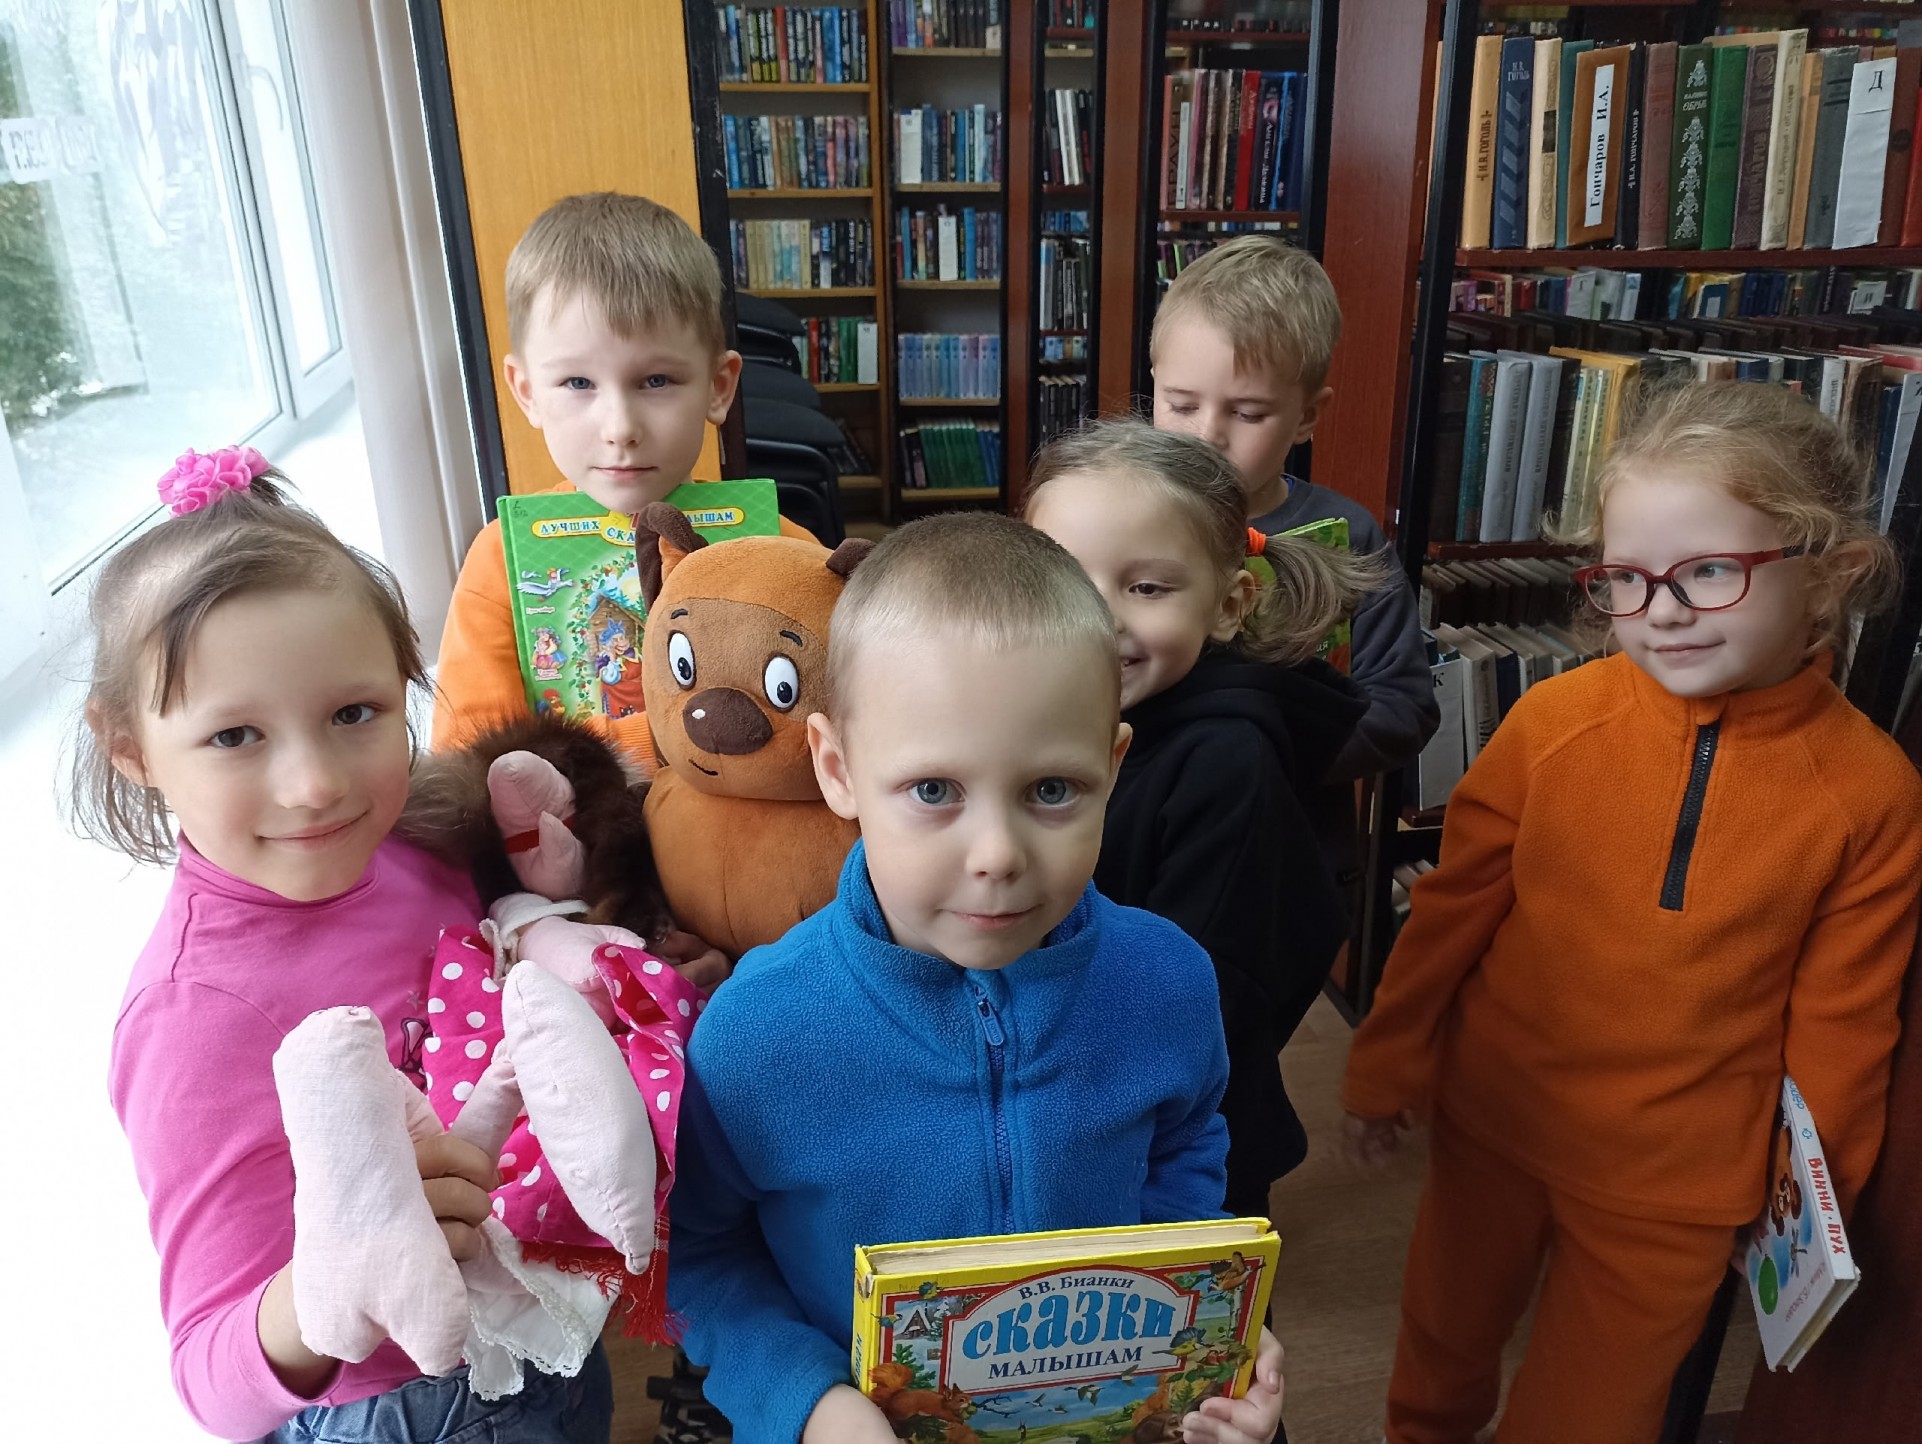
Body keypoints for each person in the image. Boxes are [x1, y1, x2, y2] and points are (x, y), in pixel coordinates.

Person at [1342, 382, 1922, 1444]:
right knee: (1442, 1344)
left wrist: (1802, 1205)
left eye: (1708, 571)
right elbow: (1451, 913)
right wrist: (1386, 1065)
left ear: (1830, 570)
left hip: (1679, 1185)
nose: (1661, 610)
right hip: (1499, 1121)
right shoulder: (1553, 720)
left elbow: (1844, 1027)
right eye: (1626, 577)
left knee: (1594, 1412)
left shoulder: (1871, 792)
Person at [667, 513, 1286, 1444]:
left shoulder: (1169, 984)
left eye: (1051, 790)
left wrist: (1203, 1331)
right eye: (934, 791)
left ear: (1112, 766)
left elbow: (1183, 1156)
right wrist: (806, 1401)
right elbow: (701, 1255)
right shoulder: (755, 1033)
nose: (997, 854)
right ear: (837, 769)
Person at [83, 448, 612, 1442]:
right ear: (129, 747)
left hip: (545, 1327)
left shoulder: (416, 840)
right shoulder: (193, 1016)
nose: (316, 784)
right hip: (403, 1405)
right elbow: (211, 1382)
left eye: (354, 713)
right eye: (235, 735)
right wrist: (319, 1289)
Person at [1025, 419, 1378, 1211]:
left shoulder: (1227, 764)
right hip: (1072, 1110)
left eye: (1147, 588)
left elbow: (1195, 1000)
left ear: (1229, 604)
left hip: (1177, 1146)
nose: (1099, 616)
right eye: (1064, 578)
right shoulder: (1053, 713)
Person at [431, 191, 814, 764]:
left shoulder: (782, 550)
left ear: (718, 388)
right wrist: (648, 744)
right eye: (578, 383)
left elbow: (839, 714)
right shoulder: (501, 560)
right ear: (527, 392)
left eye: (656, 381)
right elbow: (472, 761)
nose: (620, 428)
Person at [1151, 234, 1439, 893]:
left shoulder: (1349, 536)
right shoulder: (1110, 516)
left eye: (1248, 413)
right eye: (1181, 404)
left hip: (1288, 863)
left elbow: (1405, 706)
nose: (1207, 436)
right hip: (1139, 851)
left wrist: (1269, 746)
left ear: (1308, 416)